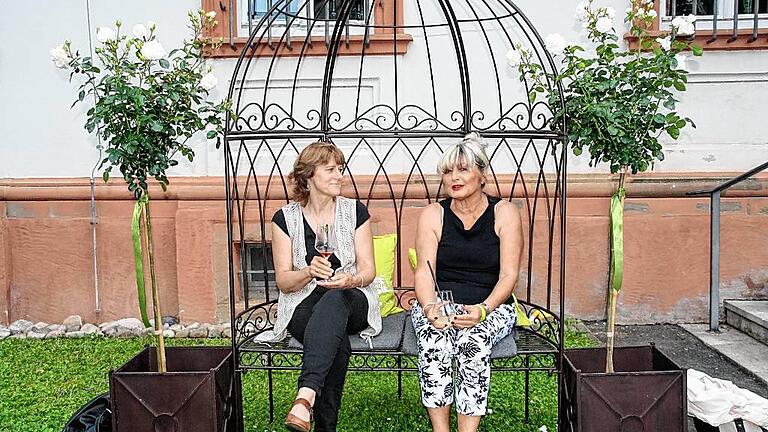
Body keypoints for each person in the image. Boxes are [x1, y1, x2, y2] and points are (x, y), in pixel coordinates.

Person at [261, 141, 381, 432]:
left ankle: (305, 395)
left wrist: (349, 280)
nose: (339, 175)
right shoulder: (284, 219)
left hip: (353, 297)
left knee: (335, 300)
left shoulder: (355, 211)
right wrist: (307, 272)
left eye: (340, 169)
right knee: (333, 341)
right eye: (330, 169)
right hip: (303, 304)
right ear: (308, 176)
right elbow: (284, 281)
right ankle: (321, 422)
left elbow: (368, 271)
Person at [411, 132, 524, 432]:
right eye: (448, 171)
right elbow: (423, 272)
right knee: (434, 340)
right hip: (440, 302)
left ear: (482, 174)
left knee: (472, 342)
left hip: (491, 304)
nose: (454, 178)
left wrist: (483, 310)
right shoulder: (433, 214)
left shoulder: (505, 213)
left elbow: (509, 275)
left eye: (463, 169)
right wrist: (430, 308)